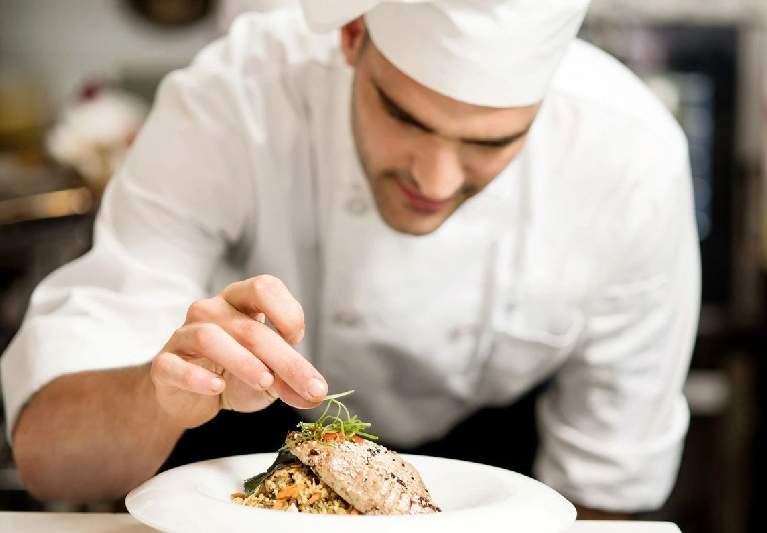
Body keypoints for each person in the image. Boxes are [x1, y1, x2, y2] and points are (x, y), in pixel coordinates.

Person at [1, 0, 700, 519]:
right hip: (243, 468)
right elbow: (47, 457)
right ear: (352, 34)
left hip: (500, 480)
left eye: (489, 143)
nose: (435, 179)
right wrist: (158, 398)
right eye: (404, 115)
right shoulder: (236, 97)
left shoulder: (631, 162)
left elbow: (606, 494)